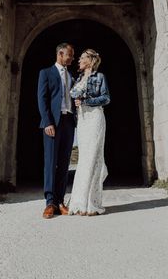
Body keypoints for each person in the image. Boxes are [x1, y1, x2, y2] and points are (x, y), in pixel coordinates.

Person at [66, 49, 110, 216]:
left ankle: (92, 203)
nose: (79, 60)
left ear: (91, 61)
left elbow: (106, 98)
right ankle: (79, 202)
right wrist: (78, 100)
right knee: (84, 159)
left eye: (83, 58)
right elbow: (73, 95)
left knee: (93, 157)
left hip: (95, 117)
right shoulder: (78, 79)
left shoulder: (99, 77)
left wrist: (86, 100)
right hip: (83, 121)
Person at [37, 42, 76, 219]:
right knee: (51, 162)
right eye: (70, 55)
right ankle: (50, 203)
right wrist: (47, 123)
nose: (72, 58)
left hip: (69, 122)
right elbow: (42, 99)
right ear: (61, 54)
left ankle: (60, 201)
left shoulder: (72, 76)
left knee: (64, 163)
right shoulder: (45, 73)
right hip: (53, 123)